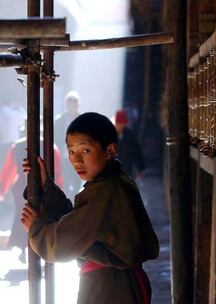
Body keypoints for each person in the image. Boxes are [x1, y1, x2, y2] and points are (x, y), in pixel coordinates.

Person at [21, 112, 159, 304]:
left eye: (85, 151)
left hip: (111, 288)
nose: (77, 160)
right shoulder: (111, 182)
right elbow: (77, 221)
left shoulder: (108, 189)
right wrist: (46, 186)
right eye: (71, 152)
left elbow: (62, 243)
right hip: (113, 284)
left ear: (110, 150)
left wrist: (36, 228)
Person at [0, 126, 63, 263]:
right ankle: (39, 247)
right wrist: (57, 188)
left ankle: (25, 247)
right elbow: (56, 170)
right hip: (44, 188)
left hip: (22, 189)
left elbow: (9, 170)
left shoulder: (17, 146)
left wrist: (3, 189)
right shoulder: (49, 146)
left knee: (24, 216)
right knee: (41, 216)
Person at [55, 90, 82, 200]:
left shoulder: (82, 120)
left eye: (74, 103)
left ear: (77, 105)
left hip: (79, 157)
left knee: (76, 183)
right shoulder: (59, 121)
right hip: (64, 157)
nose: (71, 106)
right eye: (69, 103)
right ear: (66, 105)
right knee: (65, 182)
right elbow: (55, 139)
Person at [115, 110, 146, 180]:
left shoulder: (130, 135)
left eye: (123, 124)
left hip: (127, 170)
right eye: (119, 123)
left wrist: (140, 168)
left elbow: (137, 151)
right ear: (116, 123)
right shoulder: (110, 136)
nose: (121, 126)